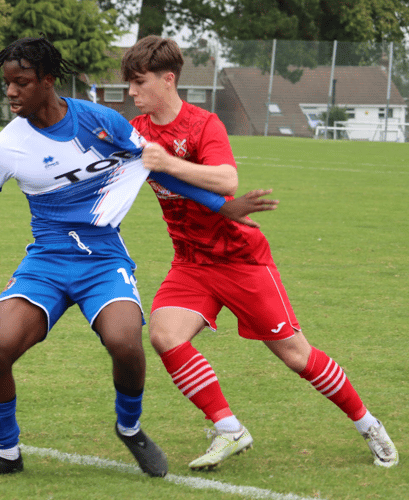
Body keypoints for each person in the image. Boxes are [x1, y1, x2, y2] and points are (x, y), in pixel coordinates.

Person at [0, 36, 276, 478]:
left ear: (47, 81)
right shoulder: (5, 147)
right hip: (46, 263)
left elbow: (151, 165)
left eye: (21, 83)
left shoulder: (100, 121)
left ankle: (130, 428)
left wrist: (221, 205)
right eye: (7, 84)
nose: (10, 92)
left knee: (126, 344)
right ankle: (6, 454)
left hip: (102, 261)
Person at [122, 35, 399, 470]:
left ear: (168, 79)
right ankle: (229, 428)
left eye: (139, 83)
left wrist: (169, 164)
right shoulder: (137, 132)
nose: (132, 93)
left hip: (241, 260)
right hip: (191, 262)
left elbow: (226, 179)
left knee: (296, 356)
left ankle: (368, 424)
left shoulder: (203, 124)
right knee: (164, 334)